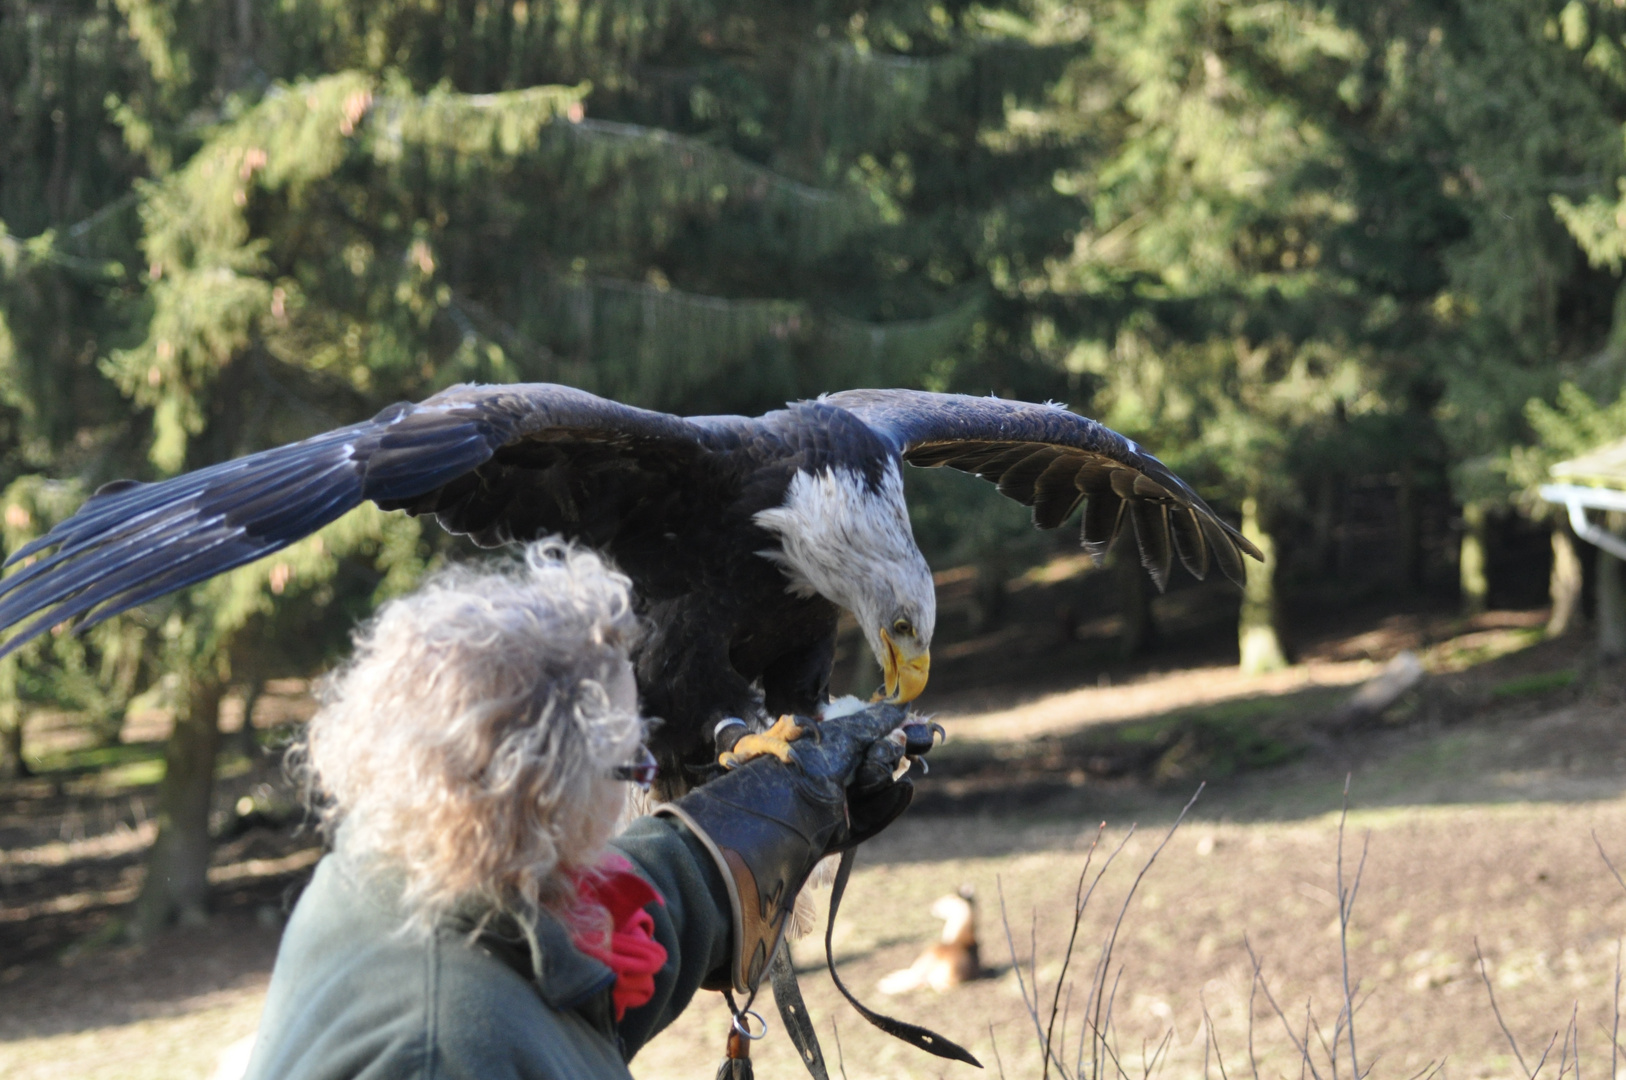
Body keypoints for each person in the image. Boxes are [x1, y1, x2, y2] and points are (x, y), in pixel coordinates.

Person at [242, 538, 917, 1080]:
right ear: (548, 792)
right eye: (633, 761)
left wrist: (790, 804)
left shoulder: (393, 873)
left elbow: (601, 945)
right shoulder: (444, 1053)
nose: (645, 778)